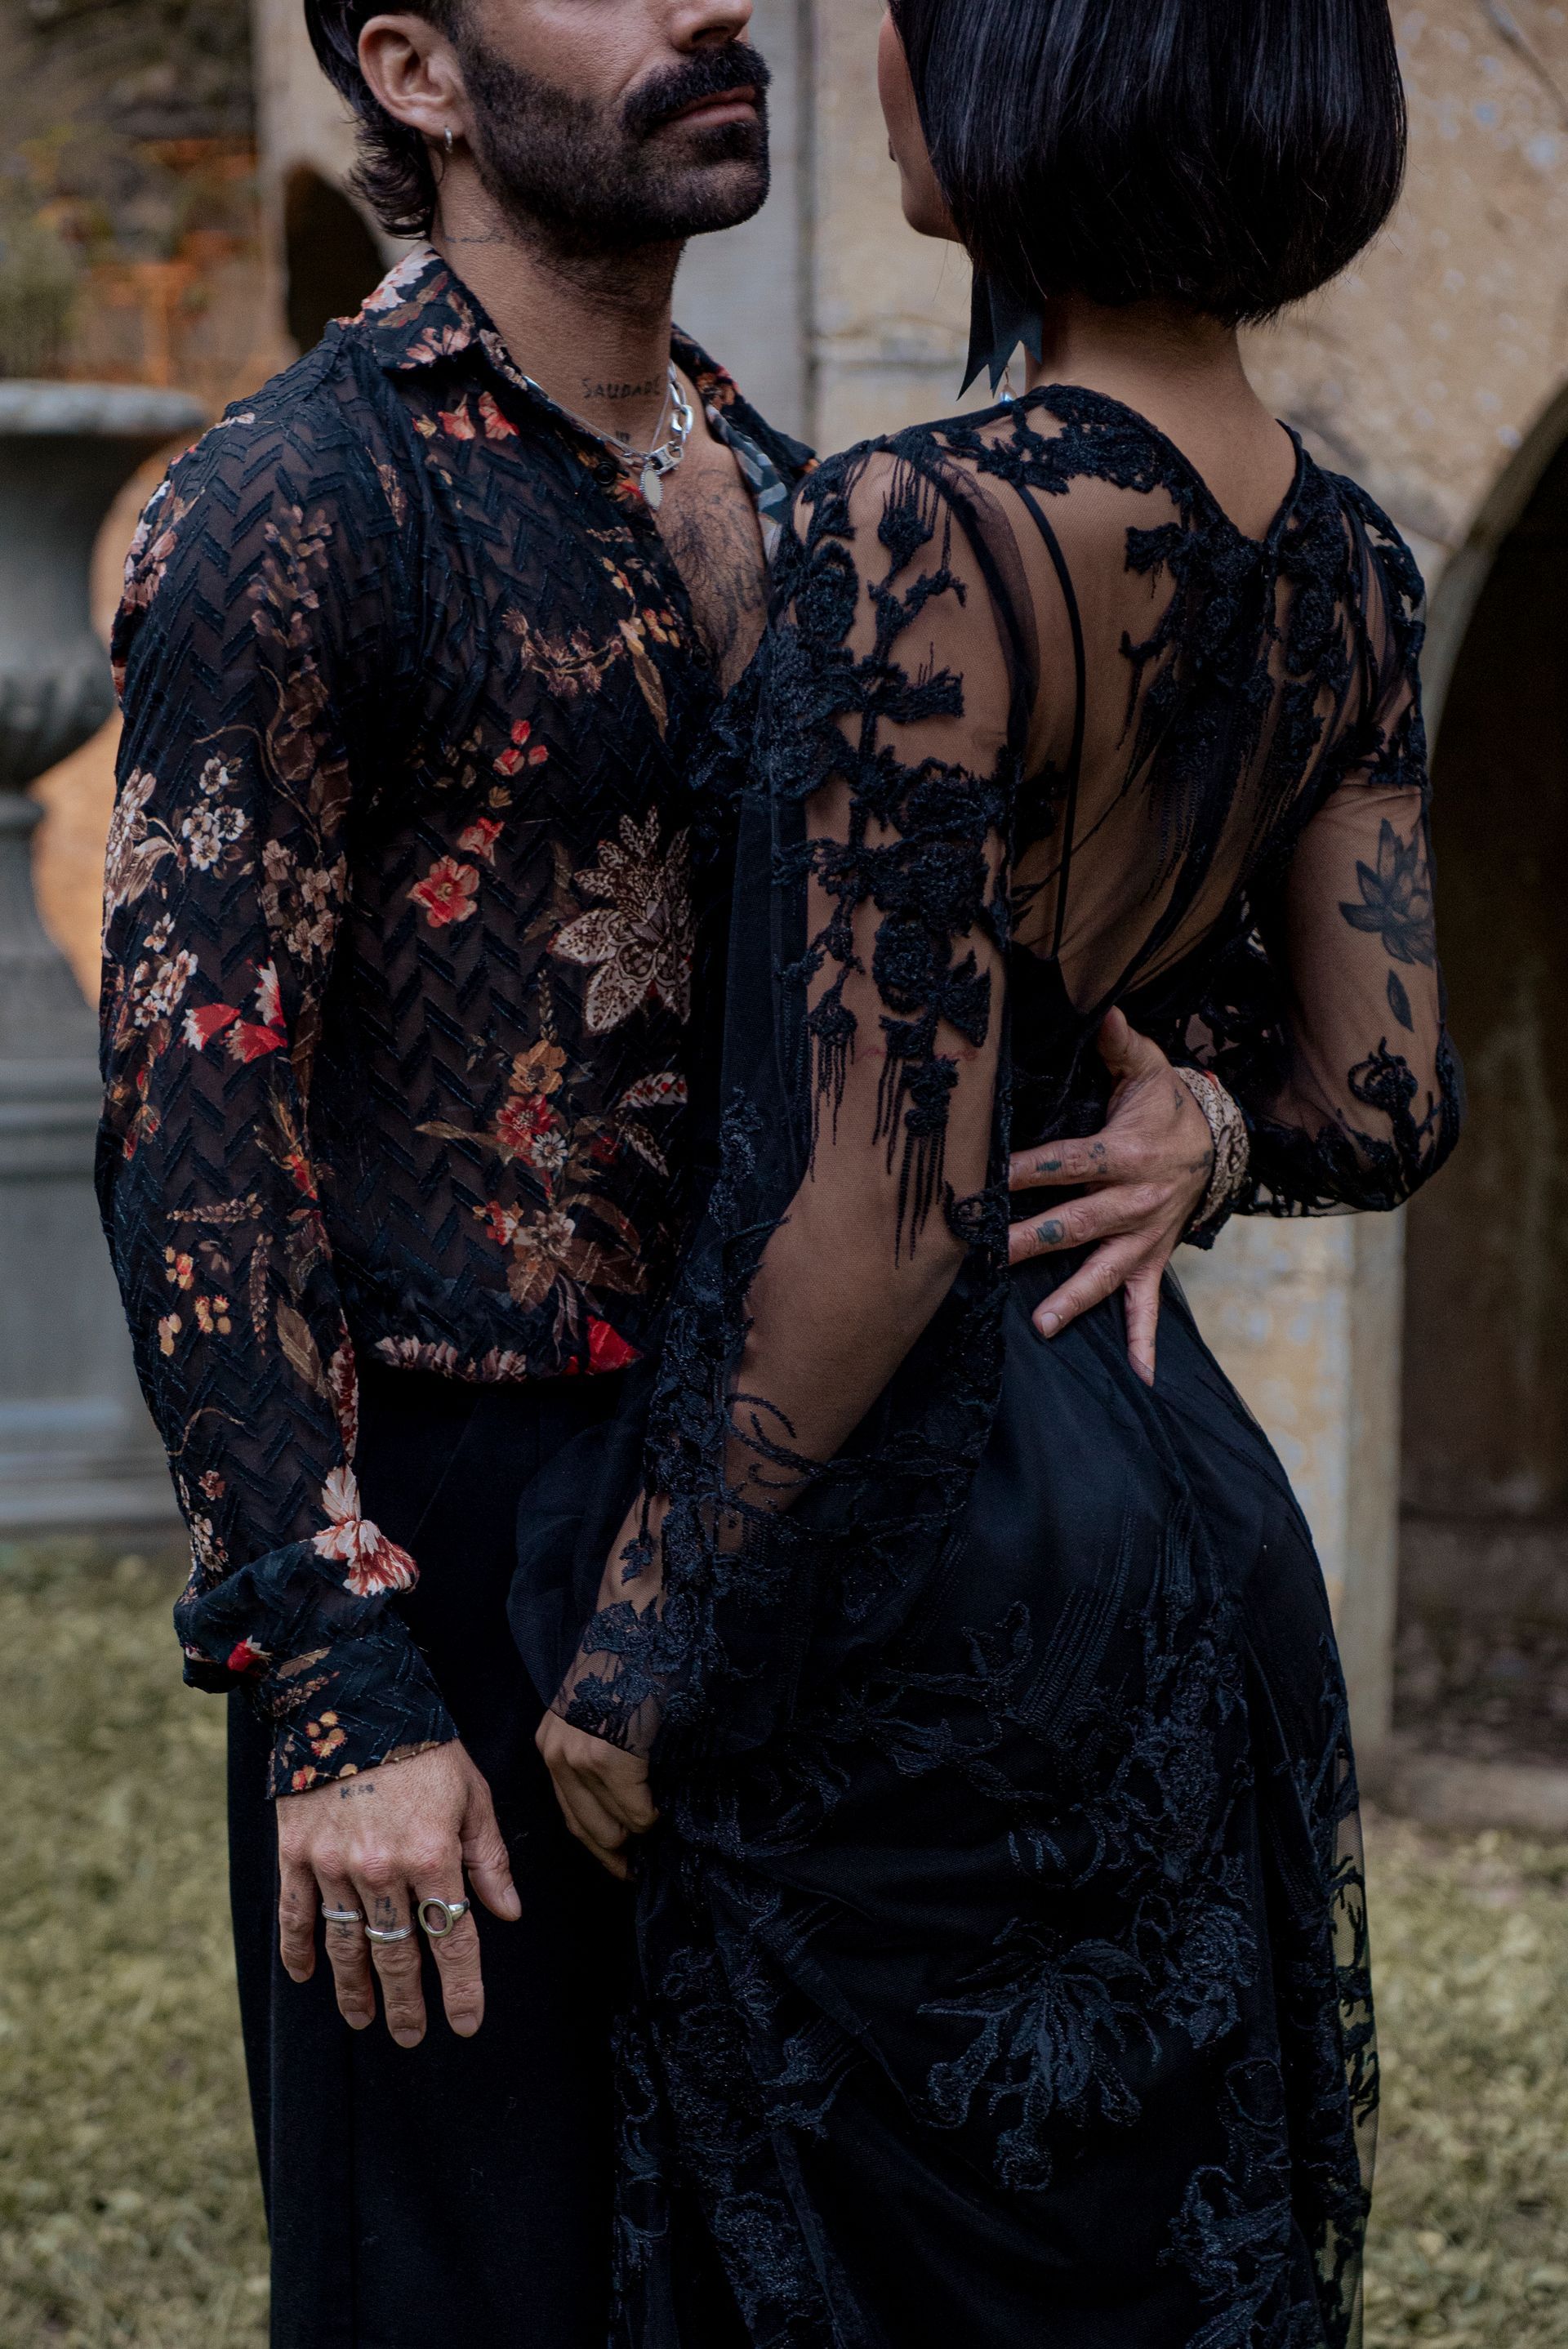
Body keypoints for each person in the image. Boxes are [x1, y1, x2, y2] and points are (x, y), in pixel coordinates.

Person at [96, 0, 1228, 2342]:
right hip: (452, 1554)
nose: (713, 3)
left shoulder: (831, 513)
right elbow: (195, 1126)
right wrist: (342, 1687)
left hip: (794, 1549)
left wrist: (1197, 1117)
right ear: (415, 72)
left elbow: (996, 1022)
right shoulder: (288, 509)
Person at [532, 1, 1464, 2343]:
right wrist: (1212, 1121)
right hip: (1172, 1508)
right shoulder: (1349, 561)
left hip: (915, 1547)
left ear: (1042, 81)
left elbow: (882, 1198)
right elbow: (1390, 1092)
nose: (877, 65)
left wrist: (643, 1635)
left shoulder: (921, 524)